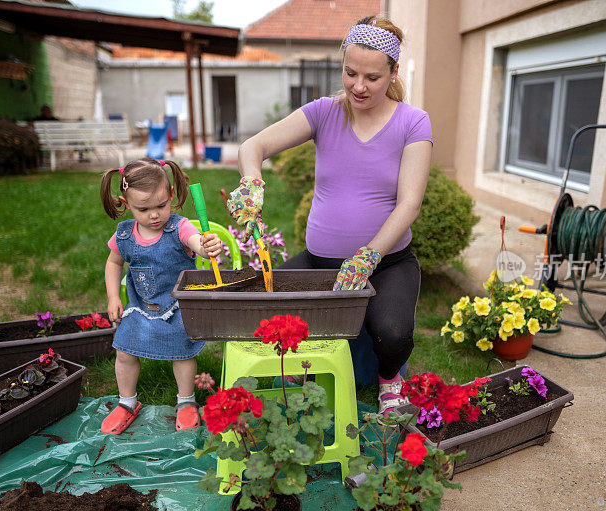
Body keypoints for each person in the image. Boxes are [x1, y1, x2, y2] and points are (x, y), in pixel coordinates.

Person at [226, 16, 432, 415]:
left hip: (386, 263)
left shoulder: (412, 122)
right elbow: (254, 145)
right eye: (350, 72)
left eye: (372, 77)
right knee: (256, 307)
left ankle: (391, 380)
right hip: (319, 262)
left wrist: (369, 256)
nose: (358, 86)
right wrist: (252, 182)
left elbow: (410, 203)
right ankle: (298, 373)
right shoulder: (324, 113)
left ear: (393, 72)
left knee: (393, 333)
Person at [99, 157, 222, 434]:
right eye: (143, 209)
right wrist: (113, 297)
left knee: (181, 351)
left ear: (171, 197)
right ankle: (127, 402)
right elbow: (113, 263)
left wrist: (205, 245)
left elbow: (195, 243)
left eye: (161, 205)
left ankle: (186, 401)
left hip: (179, 306)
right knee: (124, 349)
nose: (154, 215)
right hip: (141, 306)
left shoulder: (178, 227)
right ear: (126, 203)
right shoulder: (124, 235)